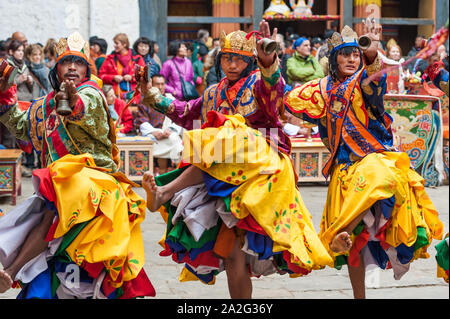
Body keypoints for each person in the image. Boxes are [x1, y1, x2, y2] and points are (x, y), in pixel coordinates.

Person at [138, 21, 333, 299]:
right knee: (233, 256)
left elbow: (273, 94)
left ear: (249, 61)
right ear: (220, 60)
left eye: (239, 59)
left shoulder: (256, 83)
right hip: (223, 172)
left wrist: (269, 61)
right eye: (227, 58)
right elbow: (185, 112)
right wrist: (151, 94)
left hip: (260, 163)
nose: (232, 64)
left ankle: (167, 190)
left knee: (225, 136)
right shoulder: (213, 92)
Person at [285, 20, 444, 299]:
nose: (350, 58)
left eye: (354, 54)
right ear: (332, 60)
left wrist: (370, 55)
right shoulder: (321, 89)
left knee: (380, 177)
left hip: (372, 158)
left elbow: (374, 83)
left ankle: (337, 232)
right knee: (355, 245)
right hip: (344, 169)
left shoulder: (363, 81)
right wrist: (269, 64)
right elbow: (289, 100)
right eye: (344, 54)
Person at [0, 32, 155, 299]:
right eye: (66, 61)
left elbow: (85, 109)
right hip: (60, 189)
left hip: (95, 187)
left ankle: (12, 271)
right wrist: (4, 96)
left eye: (79, 62)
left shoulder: (91, 93)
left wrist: (72, 102)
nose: (72, 66)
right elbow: (23, 127)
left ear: (86, 69)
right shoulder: (45, 104)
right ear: (56, 68)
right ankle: (12, 273)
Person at [135, 74, 183, 174]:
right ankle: (159, 173)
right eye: (157, 84)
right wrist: (154, 132)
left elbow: (179, 118)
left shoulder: (170, 99)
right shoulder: (145, 101)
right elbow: (141, 121)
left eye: (162, 84)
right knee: (166, 142)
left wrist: (170, 129)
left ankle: (174, 172)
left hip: (168, 133)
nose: (160, 87)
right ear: (152, 86)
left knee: (175, 139)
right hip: (153, 135)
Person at [99, 33, 145, 101]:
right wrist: (113, 77)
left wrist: (132, 77)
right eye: (114, 43)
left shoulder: (137, 58)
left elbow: (143, 75)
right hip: (115, 97)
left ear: (124, 44)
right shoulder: (110, 58)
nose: (114, 46)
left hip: (134, 97)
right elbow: (101, 76)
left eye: (117, 43)